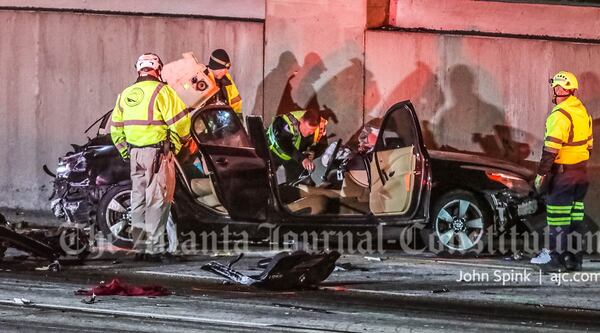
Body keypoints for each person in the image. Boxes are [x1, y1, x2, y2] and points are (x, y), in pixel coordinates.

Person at [111, 53, 191, 262]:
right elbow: (181, 122)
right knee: (157, 200)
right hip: (157, 154)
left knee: (138, 200)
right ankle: (154, 250)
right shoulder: (162, 92)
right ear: (158, 69)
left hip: (135, 154)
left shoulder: (126, 94)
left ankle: (141, 248)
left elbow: (115, 128)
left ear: (138, 69)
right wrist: (179, 142)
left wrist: (125, 151)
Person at [531, 71, 593, 272]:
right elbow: (589, 147)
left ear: (559, 89)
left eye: (556, 88)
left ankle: (554, 259)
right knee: (575, 218)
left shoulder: (560, 115)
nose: (555, 91)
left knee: (558, 218)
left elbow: (550, 150)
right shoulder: (583, 113)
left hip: (564, 175)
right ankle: (573, 259)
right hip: (581, 174)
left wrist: (542, 174)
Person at [266, 109, 328, 183]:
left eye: (312, 130)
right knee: (264, 178)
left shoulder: (318, 127)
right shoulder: (284, 123)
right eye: (307, 129)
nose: (309, 133)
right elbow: (285, 145)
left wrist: (313, 153)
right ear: (301, 120)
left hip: (294, 157)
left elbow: (322, 144)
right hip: (272, 153)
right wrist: (302, 159)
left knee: (299, 183)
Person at [205, 49, 242, 119]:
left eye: (226, 69)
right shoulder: (202, 80)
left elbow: (236, 101)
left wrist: (237, 120)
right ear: (214, 67)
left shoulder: (226, 77)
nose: (225, 72)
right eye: (222, 69)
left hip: (224, 121)